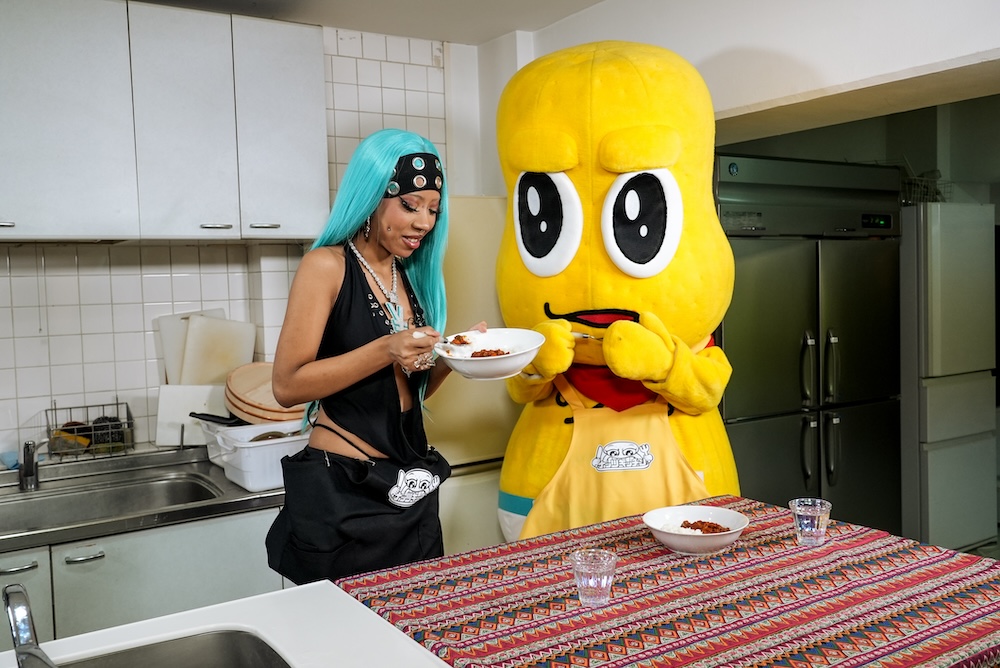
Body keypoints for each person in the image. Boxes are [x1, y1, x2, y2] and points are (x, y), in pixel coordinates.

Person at [265, 128, 481, 584]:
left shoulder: (408, 277)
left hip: (409, 487)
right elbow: (286, 386)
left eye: (433, 210)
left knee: (419, 622)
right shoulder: (326, 266)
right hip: (343, 491)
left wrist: (454, 357)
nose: (424, 222)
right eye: (410, 205)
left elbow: (404, 392)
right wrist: (386, 348)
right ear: (372, 197)